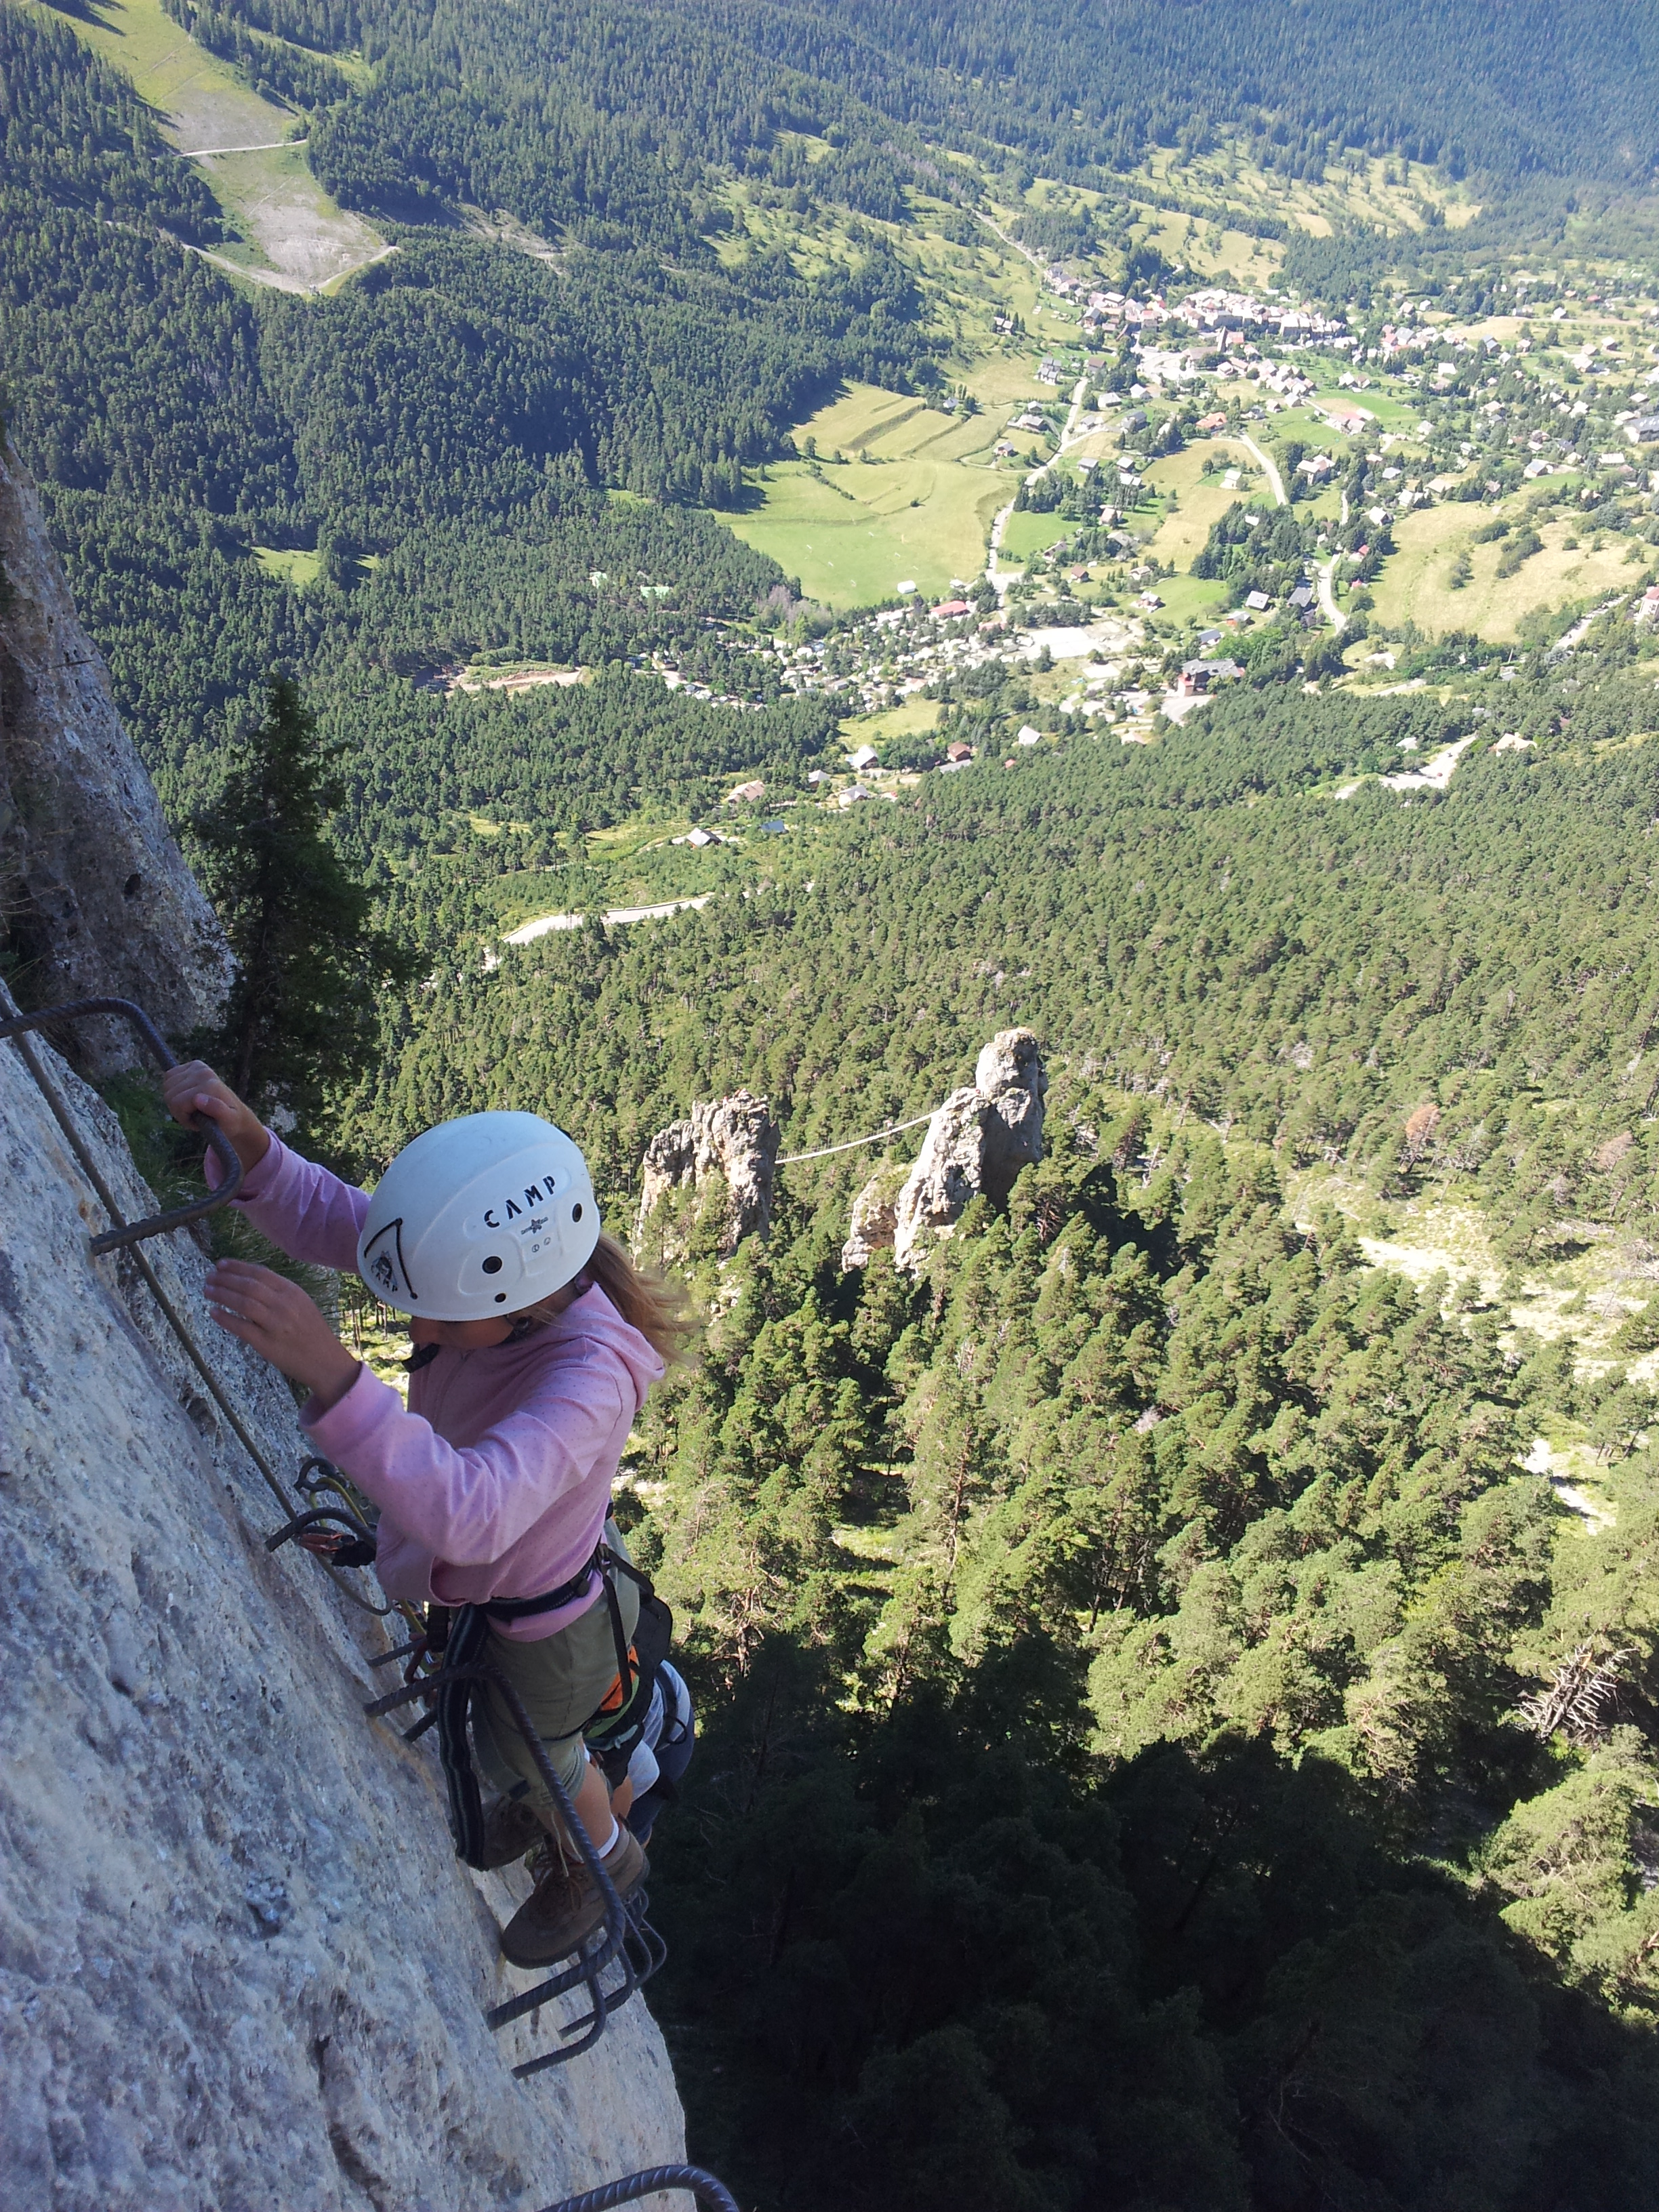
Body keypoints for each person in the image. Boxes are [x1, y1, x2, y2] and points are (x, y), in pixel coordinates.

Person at [161, 1061, 695, 1966]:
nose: (421, 1328)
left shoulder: (592, 1375)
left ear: (520, 1304)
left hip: (546, 1627)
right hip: (500, 1588)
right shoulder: (486, 1281)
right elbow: (352, 1227)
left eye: (440, 1320)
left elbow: (475, 1517)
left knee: (538, 1753)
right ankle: (537, 1817)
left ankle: (608, 1855)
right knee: (494, 1733)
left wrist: (336, 1375)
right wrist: (260, 1156)